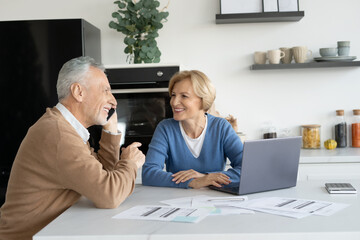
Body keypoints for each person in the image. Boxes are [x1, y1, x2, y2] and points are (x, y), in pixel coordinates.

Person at [0, 56, 145, 240]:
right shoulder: (58, 134)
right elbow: (109, 194)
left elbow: (100, 178)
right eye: (106, 91)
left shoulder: (66, 129)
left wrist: (110, 132)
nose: (113, 101)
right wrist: (130, 163)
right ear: (78, 92)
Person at [142, 70, 243, 189]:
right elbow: (149, 173)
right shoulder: (165, 128)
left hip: (215, 201)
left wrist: (205, 177)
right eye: (173, 95)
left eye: (184, 96)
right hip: (176, 201)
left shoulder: (221, 127)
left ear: (203, 100)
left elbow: (247, 169)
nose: (174, 102)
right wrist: (192, 182)